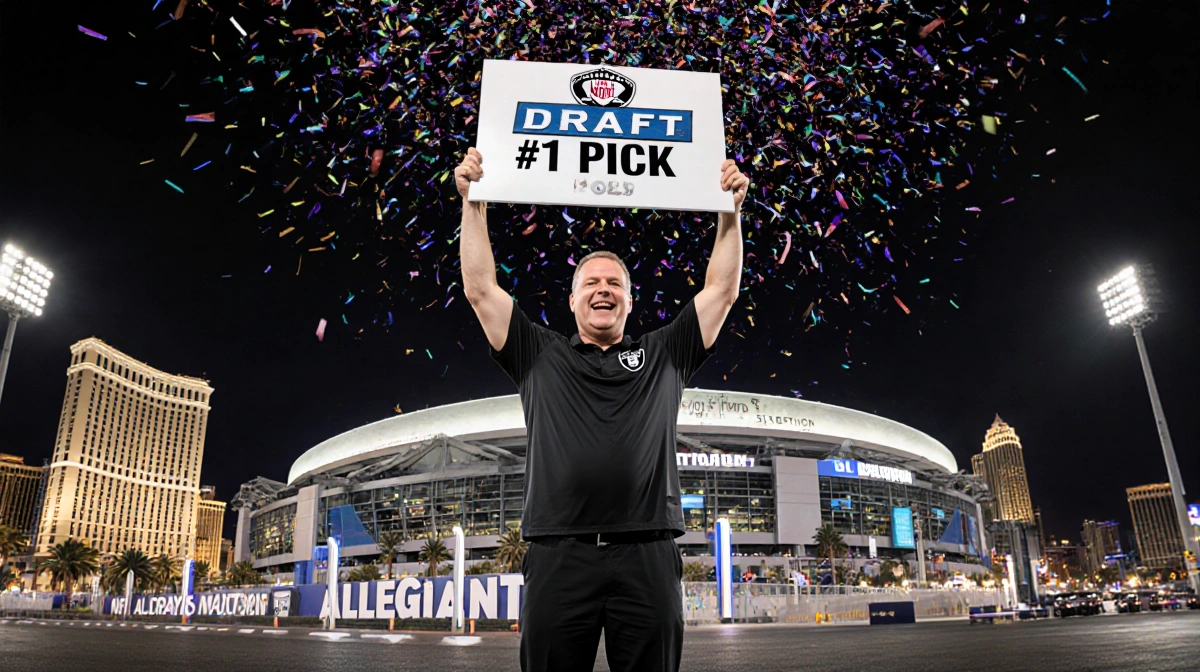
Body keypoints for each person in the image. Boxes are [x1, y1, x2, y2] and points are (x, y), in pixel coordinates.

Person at [455, 146, 748, 672]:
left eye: (615, 283)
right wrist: (472, 203)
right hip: (559, 555)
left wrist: (730, 212)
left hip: (647, 553)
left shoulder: (664, 353)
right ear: (572, 300)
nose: (603, 290)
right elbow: (480, 289)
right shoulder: (537, 353)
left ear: (630, 301)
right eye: (591, 282)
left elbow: (721, 290)